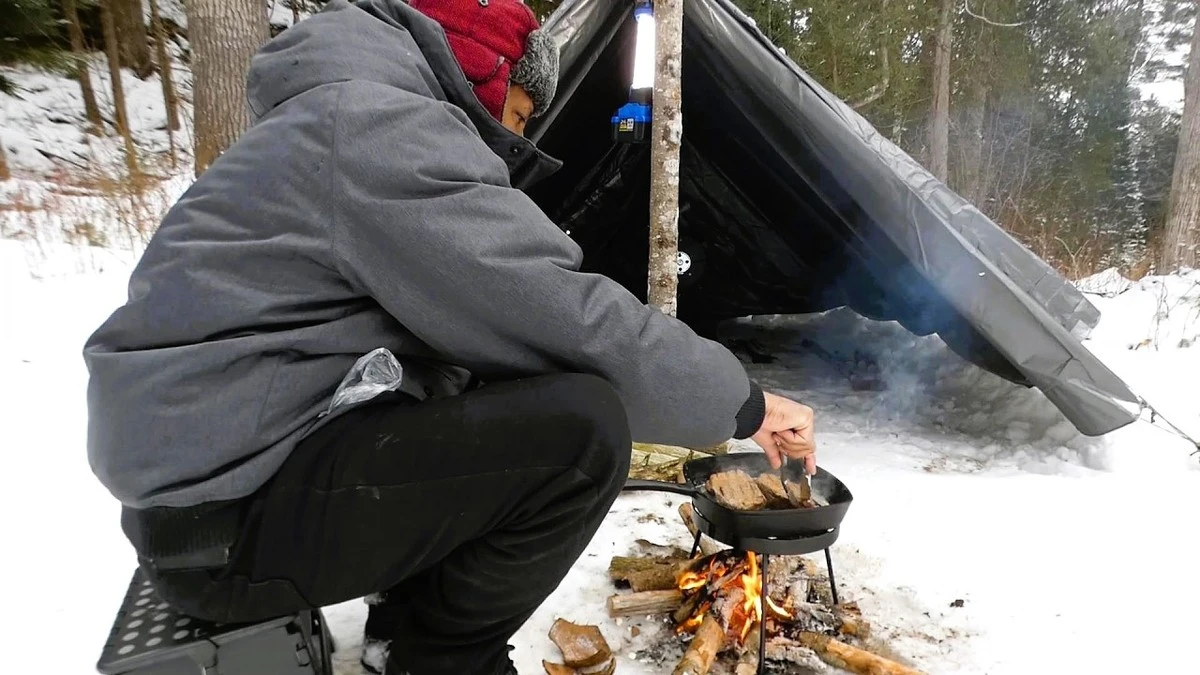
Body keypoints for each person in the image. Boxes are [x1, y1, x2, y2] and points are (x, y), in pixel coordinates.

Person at [82, 1, 817, 673]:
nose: (518, 136)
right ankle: (437, 658)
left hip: (212, 493)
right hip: (224, 526)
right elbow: (564, 315)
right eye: (524, 112)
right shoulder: (379, 129)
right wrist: (745, 403)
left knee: (490, 384)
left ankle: (403, 631)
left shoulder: (340, 113)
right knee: (581, 433)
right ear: (488, 79)